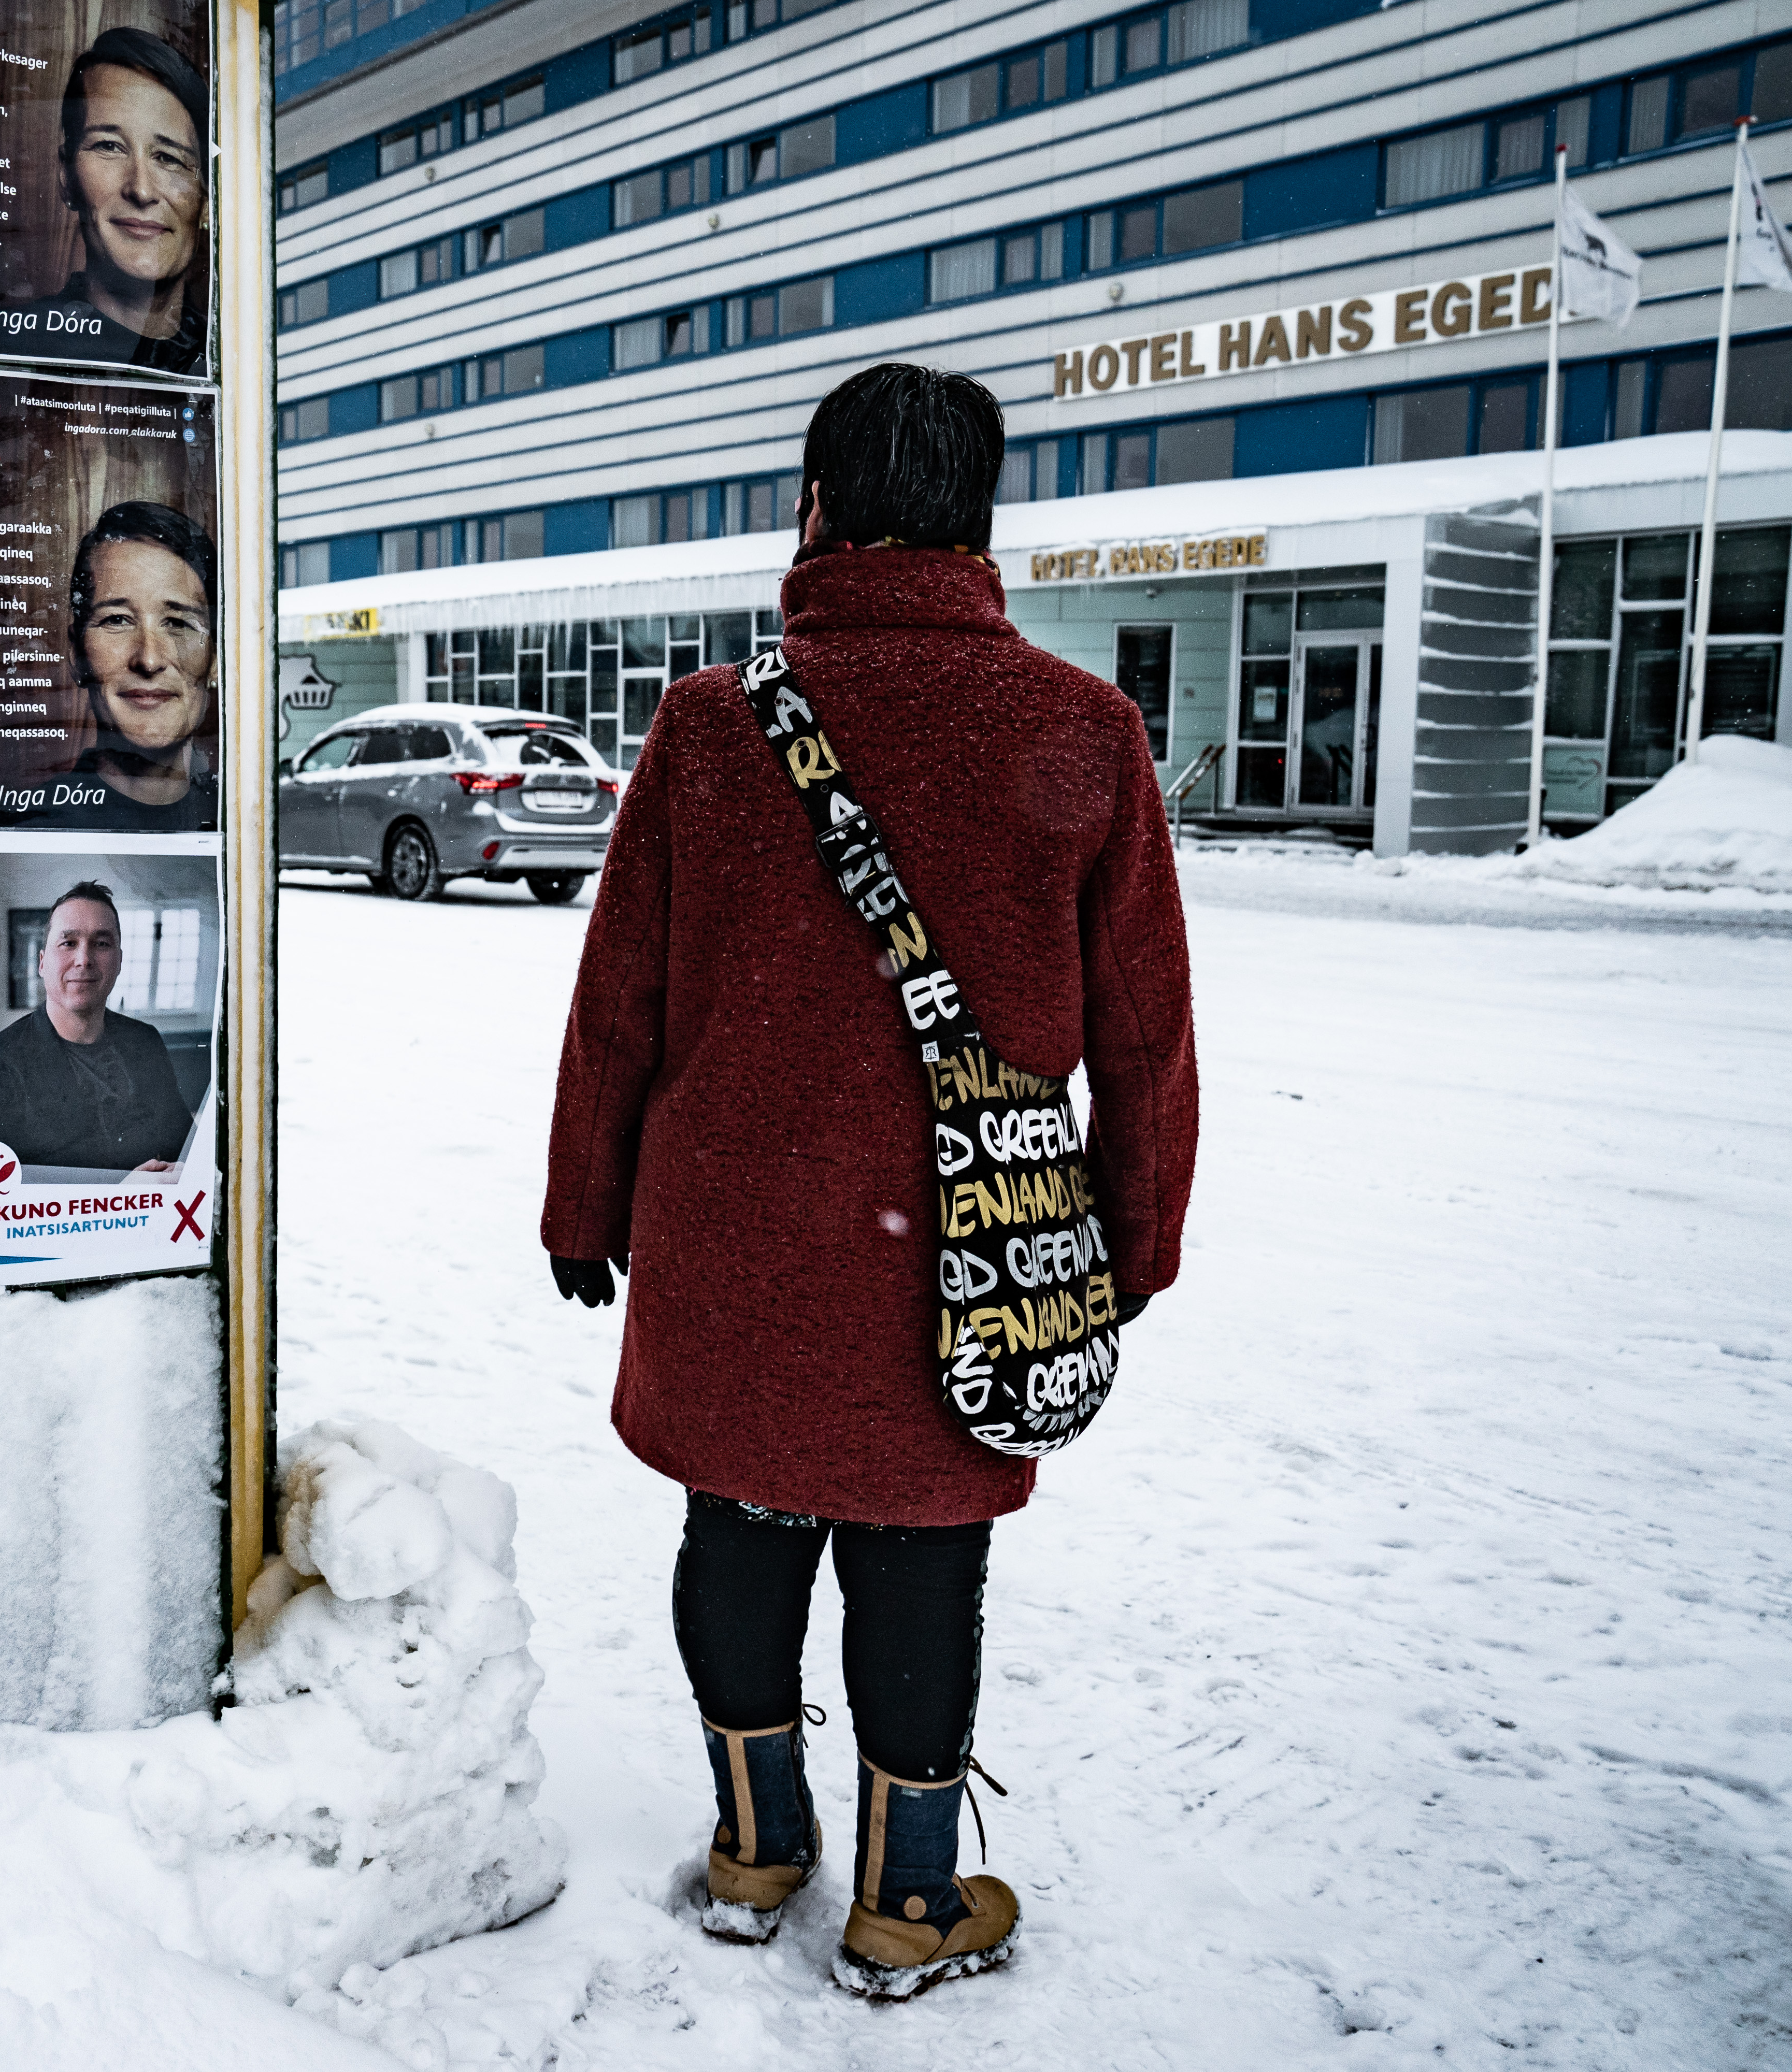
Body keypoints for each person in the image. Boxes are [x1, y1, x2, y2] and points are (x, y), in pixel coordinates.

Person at [541, 364, 1198, 2000]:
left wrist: (582, 1203)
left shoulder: (710, 728)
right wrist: (1131, 1240)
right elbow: (1143, 1035)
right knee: (922, 1554)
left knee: (739, 1522)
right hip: (965, 1248)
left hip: (732, 1242)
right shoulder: (1080, 732)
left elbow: (616, 999)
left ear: (815, 508)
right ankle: (905, 1899)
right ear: (979, 520)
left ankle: (757, 1844)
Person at [0, 882, 195, 1173]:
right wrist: (117, 1198)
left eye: (102, 944)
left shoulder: (145, 1040)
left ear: (119, 961)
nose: (84, 960)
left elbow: (185, 1147)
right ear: (42, 962)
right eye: (68, 943)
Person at [18, 501, 219, 831]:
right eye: (117, 620)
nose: (149, 660)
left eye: (178, 623)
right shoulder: (32, 827)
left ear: (214, 659)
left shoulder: (240, 824)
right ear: (76, 654)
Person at [26, 27, 208, 373]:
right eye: (109, 146)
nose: (141, 190)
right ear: (67, 177)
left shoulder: (232, 370)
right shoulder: (11, 345)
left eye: (169, 158)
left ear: (207, 201)